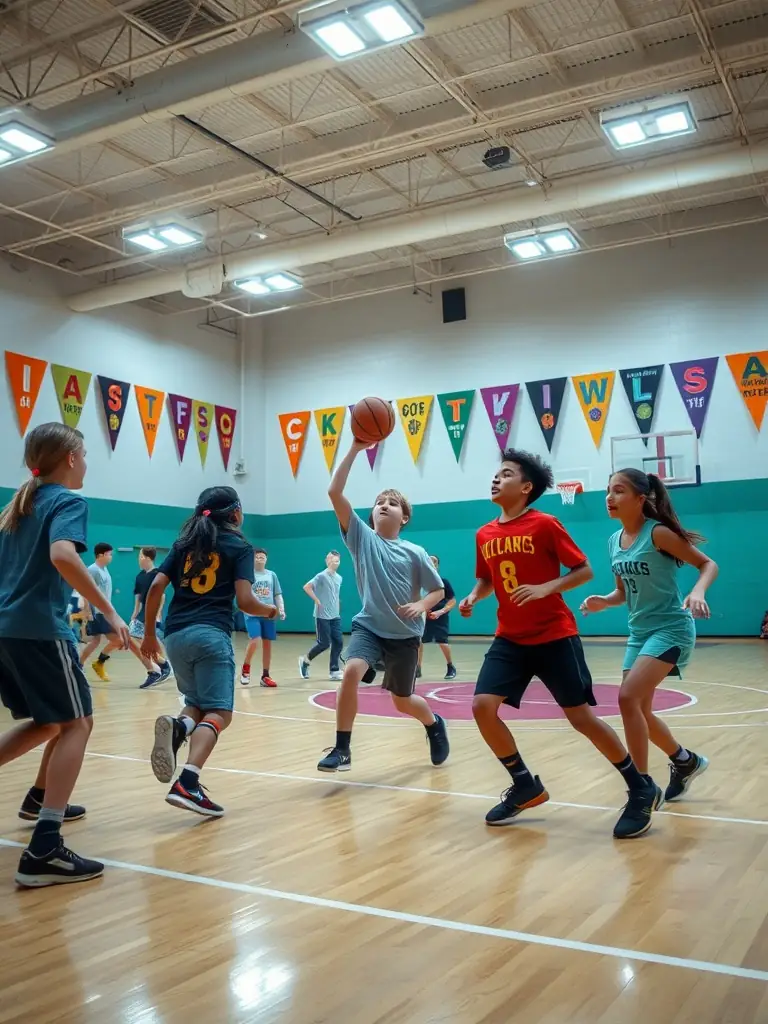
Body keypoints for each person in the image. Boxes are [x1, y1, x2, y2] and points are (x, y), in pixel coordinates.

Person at [460, 448, 656, 840]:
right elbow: (487, 579)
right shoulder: (485, 533)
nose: (496, 479)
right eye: (496, 474)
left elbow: (584, 570)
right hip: (509, 638)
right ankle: (524, 784)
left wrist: (549, 586)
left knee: (580, 718)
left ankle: (639, 786)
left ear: (526, 487)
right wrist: (472, 596)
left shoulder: (545, 524)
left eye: (506, 474)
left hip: (554, 635)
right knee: (482, 706)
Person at [0, 422, 129, 886]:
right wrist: (111, 613)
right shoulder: (67, 501)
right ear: (71, 458)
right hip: (39, 630)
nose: (88, 464)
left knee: (51, 721)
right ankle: (45, 848)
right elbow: (62, 555)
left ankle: (38, 799)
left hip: (7, 631)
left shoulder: (18, 506)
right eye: (86, 456)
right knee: (78, 722)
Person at [580, 468, 718, 808]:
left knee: (628, 699)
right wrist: (603, 601)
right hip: (638, 633)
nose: (610, 498)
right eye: (608, 491)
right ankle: (685, 761)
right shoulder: (614, 542)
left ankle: (641, 790)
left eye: (619, 491)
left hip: (672, 628)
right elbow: (621, 593)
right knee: (639, 709)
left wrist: (698, 592)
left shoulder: (657, 534)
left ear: (641, 498)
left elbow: (708, 564)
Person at [142, 487, 278, 817]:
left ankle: (180, 728)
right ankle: (187, 783)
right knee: (220, 713)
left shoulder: (183, 544)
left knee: (196, 705)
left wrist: (148, 634)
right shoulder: (239, 546)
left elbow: (157, 586)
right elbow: (245, 601)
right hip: (211, 634)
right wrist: (269, 611)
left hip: (175, 635)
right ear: (235, 514)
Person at [317, 439, 450, 773]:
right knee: (350, 672)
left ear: (404, 517)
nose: (384, 505)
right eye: (379, 502)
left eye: (392, 503)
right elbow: (335, 492)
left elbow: (437, 591)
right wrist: (354, 449)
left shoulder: (415, 552)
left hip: (404, 635)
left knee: (401, 701)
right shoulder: (361, 537)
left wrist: (422, 603)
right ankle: (343, 749)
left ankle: (434, 724)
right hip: (370, 626)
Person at [240, 548, 285, 688]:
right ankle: (246, 668)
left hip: (268, 612)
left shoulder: (272, 575)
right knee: (255, 639)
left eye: (262, 557)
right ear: (253, 559)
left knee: (267, 644)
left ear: (266, 559)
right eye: (257, 557)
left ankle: (265, 675)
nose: (260, 559)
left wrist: (281, 608)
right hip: (252, 613)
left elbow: (277, 594)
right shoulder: (248, 575)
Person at [130, 546, 172, 689]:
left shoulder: (157, 574)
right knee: (133, 640)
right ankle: (162, 665)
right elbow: (138, 596)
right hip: (142, 613)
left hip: (151, 613)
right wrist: (135, 612)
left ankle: (156, 669)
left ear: (148, 558)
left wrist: (158, 613)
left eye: (140, 556)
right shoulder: (140, 576)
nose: (139, 559)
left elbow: (162, 595)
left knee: (136, 641)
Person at [298, 550, 343, 681]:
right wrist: (317, 600)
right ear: (327, 561)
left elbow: (336, 595)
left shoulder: (339, 578)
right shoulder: (321, 576)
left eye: (337, 560)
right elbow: (307, 587)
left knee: (338, 642)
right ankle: (305, 660)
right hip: (322, 615)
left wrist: (337, 609)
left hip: (335, 616)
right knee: (324, 643)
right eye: (332, 560)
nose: (335, 562)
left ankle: (334, 670)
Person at [417, 555, 457, 680]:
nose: (431, 563)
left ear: (437, 565)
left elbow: (452, 600)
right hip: (423, 615)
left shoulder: (443, 582)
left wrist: (440, 611)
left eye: (434, 561)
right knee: (419, 641)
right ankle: (418, 668)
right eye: (428, 561)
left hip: (439, 616)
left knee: (442, 641)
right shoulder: (420, 582)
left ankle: (450, 666)